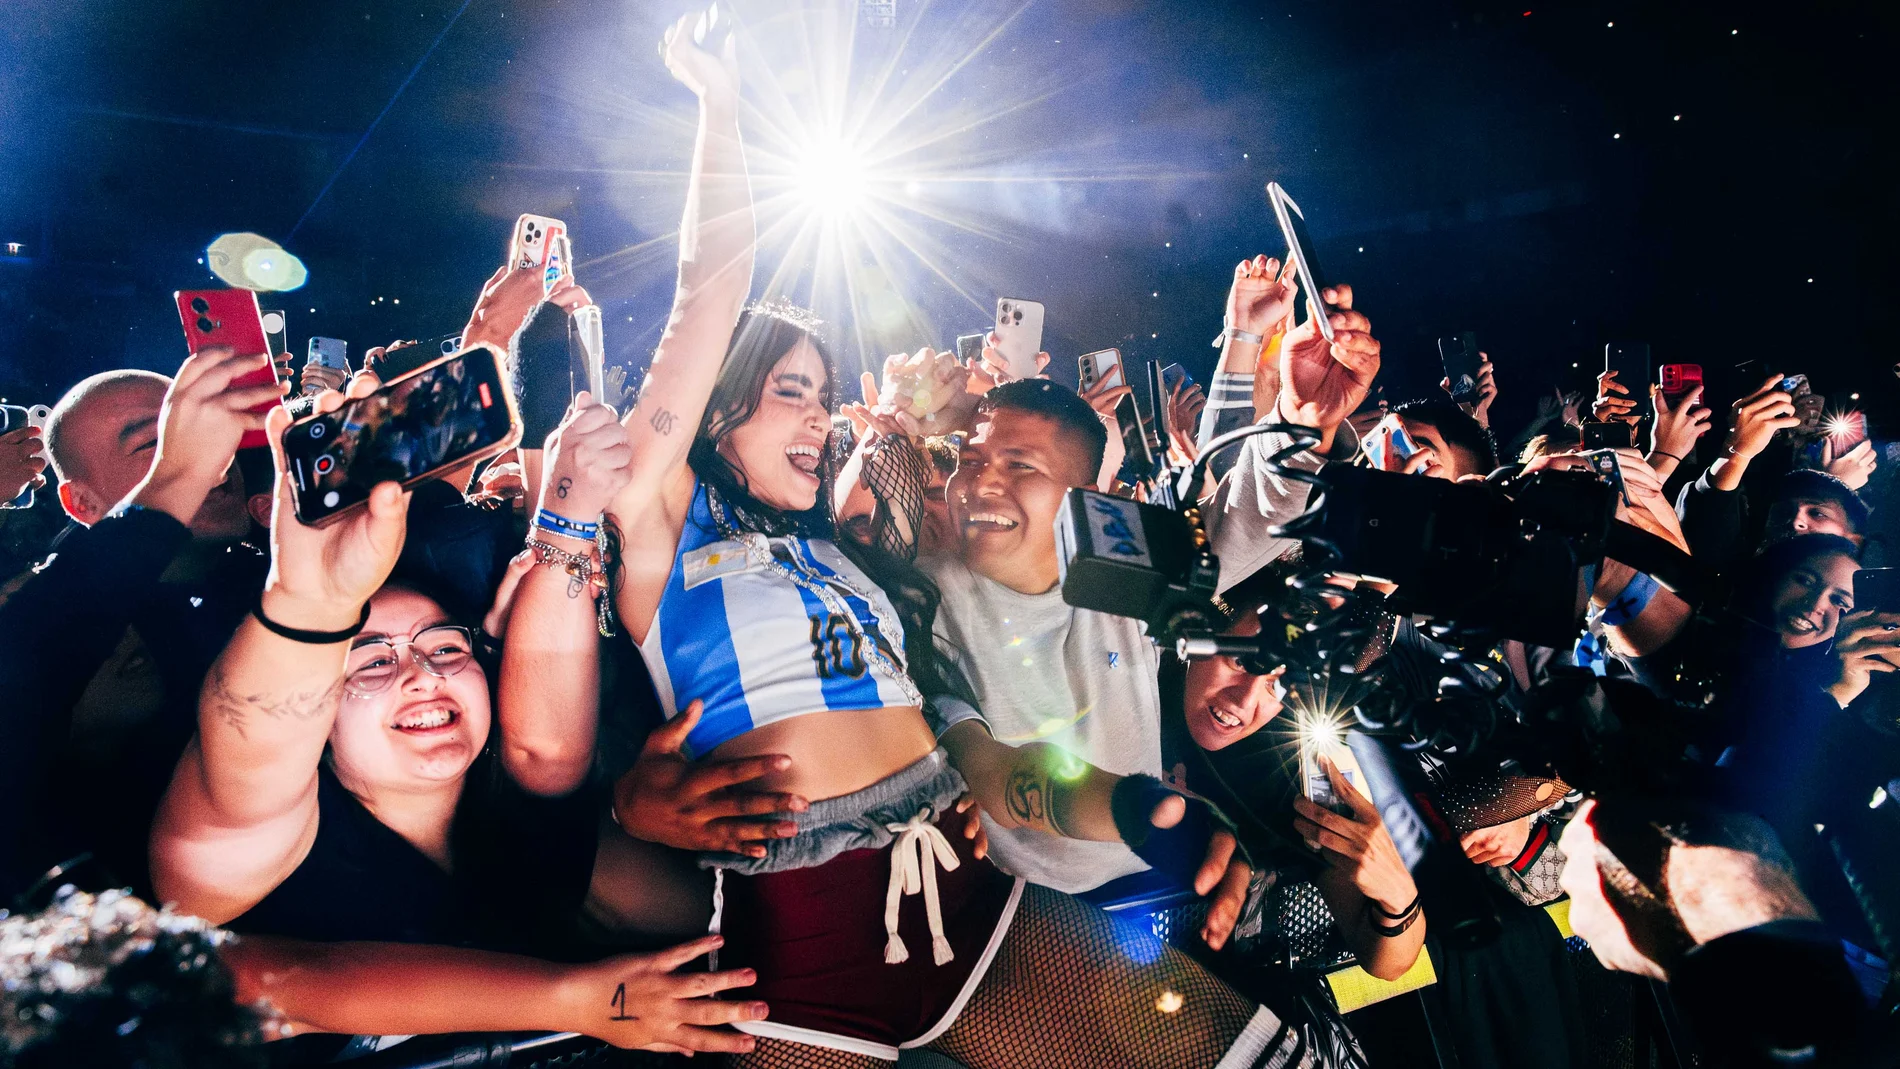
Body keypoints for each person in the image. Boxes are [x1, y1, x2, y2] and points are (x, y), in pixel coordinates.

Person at [498, 19, 1315, 1068]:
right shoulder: (662, 517)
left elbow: (987, 740)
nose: (818, 415)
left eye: (826, 396)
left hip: (972, 900)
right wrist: (721, 102)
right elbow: (711, 291)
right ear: (715, 410)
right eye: (789, 390)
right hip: (798, 954)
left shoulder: (850, 554)